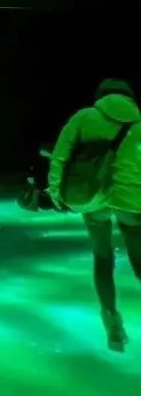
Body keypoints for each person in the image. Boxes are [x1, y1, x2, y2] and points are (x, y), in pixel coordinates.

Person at [47, 79, 141, 352]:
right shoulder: (139, 123)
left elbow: (59, 157)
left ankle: (112, 324)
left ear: (101, 96)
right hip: (131, 201)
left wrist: (56, 192)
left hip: (93, 199)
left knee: (103, 258)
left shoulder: (85, 117)